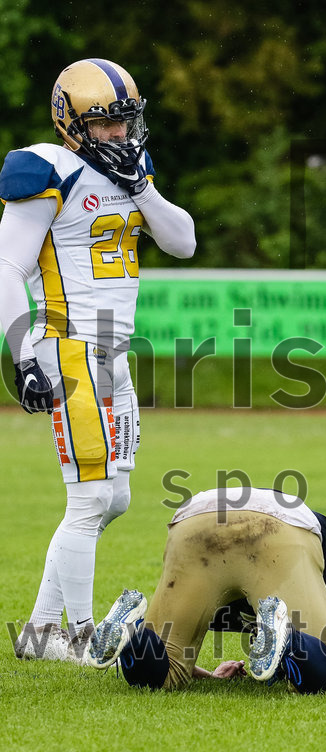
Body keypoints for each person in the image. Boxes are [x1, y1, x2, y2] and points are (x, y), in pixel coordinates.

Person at [0, 59, 196, 662]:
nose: (121, 134)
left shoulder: (134, 171)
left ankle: (38, 633)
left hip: (114, 352)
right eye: (107, 124)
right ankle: (84, 640)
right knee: (87, 500)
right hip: (69, 344)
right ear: (72, 123)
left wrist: (142, 187)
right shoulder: (44, 168)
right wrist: (21, 352)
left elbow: (183, 241)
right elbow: (8, 266)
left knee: (114, 500)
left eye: (126, 120)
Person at [84, 487, 326, 691]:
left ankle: (132, 635)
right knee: (323, 679)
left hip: (195, 521)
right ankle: (291, 640)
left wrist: (210, 677)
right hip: (277, 530)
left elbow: (181, 663)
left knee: (166, 672)